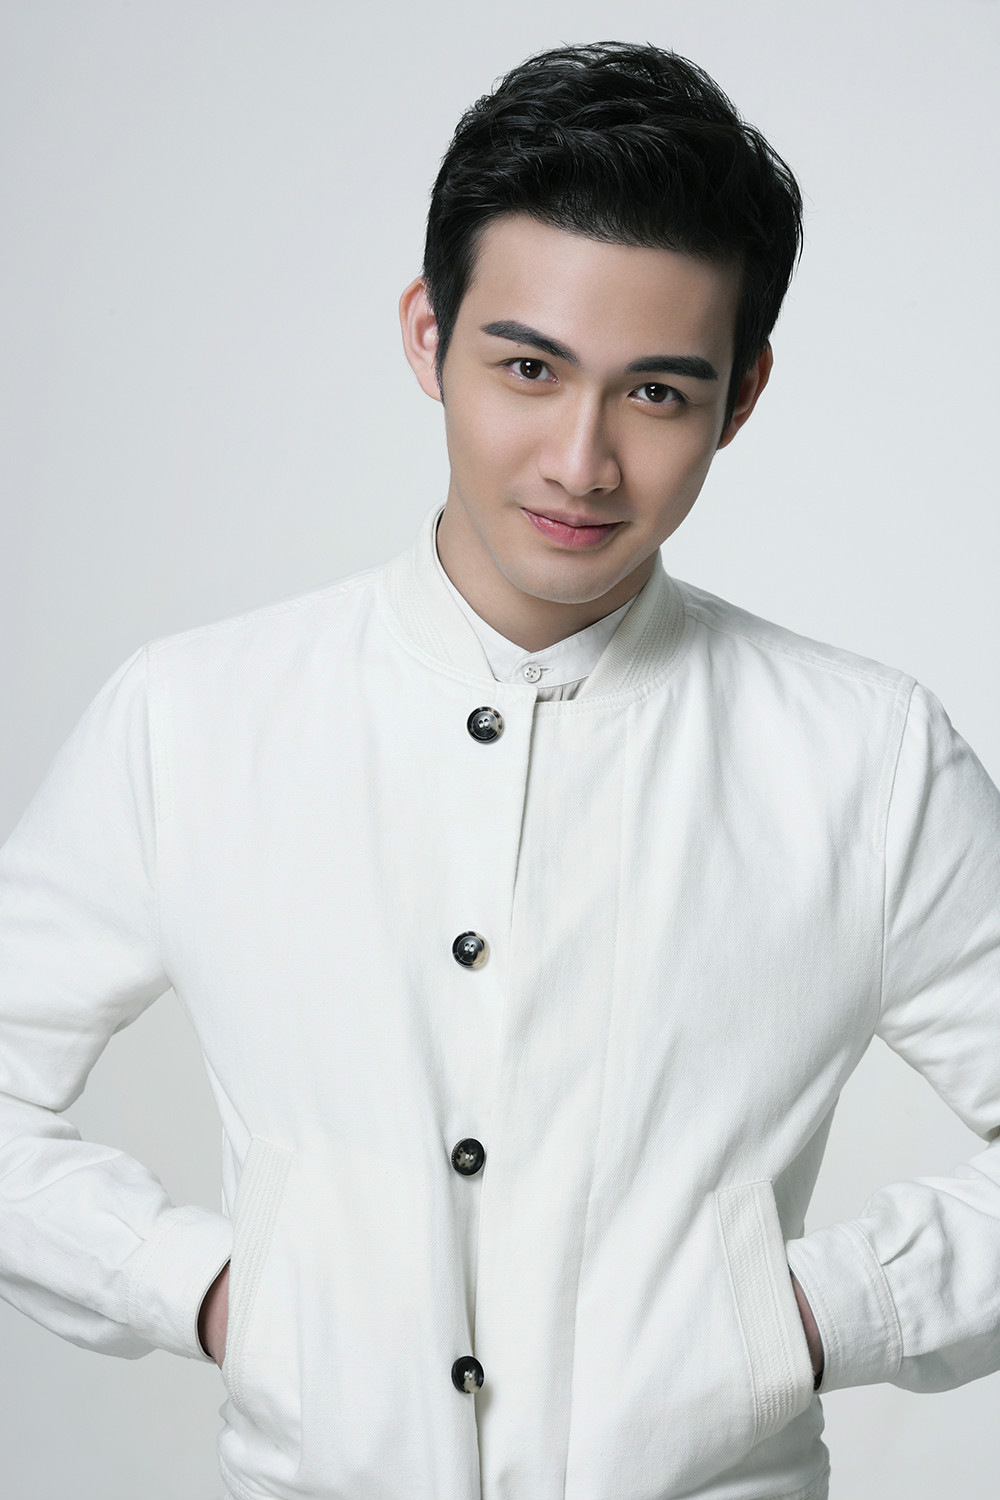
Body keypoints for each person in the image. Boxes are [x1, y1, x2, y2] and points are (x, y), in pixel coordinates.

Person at [1, 38, 998, 1500]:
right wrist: (208, 1289)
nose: (581, 462)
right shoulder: (192, 718)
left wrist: (810, 1316)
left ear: (742, 396)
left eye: (658, 394)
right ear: (428, 335)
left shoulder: (868, 759)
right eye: (529, 368)